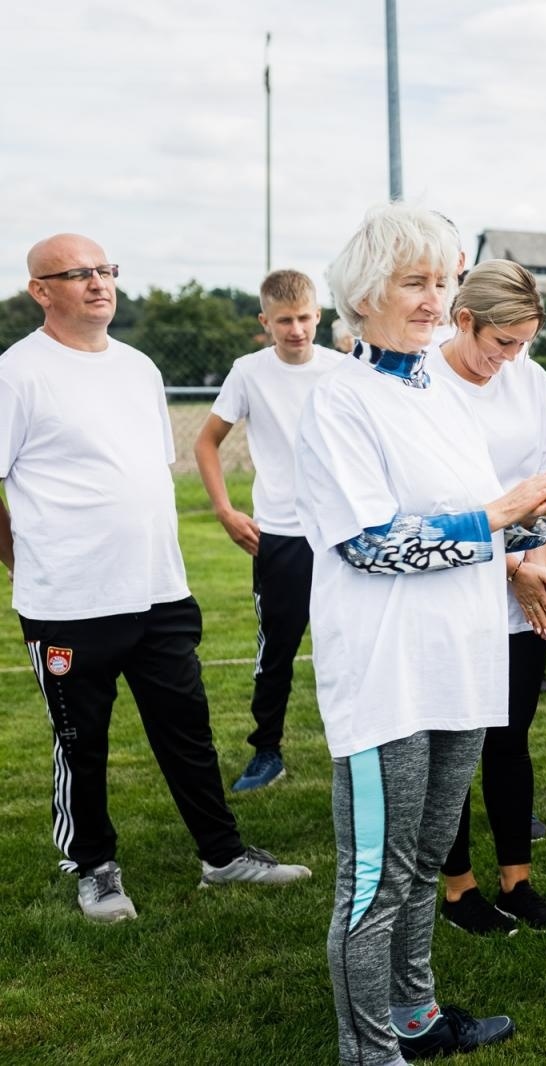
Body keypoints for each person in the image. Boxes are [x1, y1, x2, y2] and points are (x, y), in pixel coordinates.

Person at [298, 203, 546, 1062]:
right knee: (373, 881)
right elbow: (372, 544)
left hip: (463, 663)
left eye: (442, 281)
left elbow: (470, 528)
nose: (434, 299)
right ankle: (370, 1049)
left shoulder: (434, 390)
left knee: (424, 861)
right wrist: (496, 512)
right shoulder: (339, 398)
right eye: (414, 282)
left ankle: (415, 1018)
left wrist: (528, 533)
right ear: (363, 292)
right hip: (389, 676)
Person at [0, 234, 312, 925]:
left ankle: (223, 855)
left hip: (159, 592)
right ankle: (95, 869)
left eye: (106, 270)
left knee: (188, 730)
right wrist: (24, 562)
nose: (98, 283)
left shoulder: (139, 367)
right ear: (41, 290)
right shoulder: (18, 372)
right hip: (68, 603)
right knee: (80, 743)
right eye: (78, 274)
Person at [432, 260, 546, 936]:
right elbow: (437, 506)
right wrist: (510, 563)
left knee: (511, 738)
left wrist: (533, 568)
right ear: (465, 321)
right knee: (457, 739)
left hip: (524, 590)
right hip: (454, 590)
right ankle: (458, 890)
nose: (511, 358)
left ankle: (517, 881)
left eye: (522, 343)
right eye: (501, 343)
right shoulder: (424, 384)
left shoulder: (531, 378)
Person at [194, 269, 343, 792]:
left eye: (304, 318)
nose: (296, 329)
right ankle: (266, 752)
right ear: (265, 322)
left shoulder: (345, 371)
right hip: (279, 535)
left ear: (318, 315)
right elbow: (207, 443)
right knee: (276, 648)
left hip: (341, 533)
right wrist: (225, 510)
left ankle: (355, 749)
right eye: (284, 320)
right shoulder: (248, 372)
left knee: (349, 643)